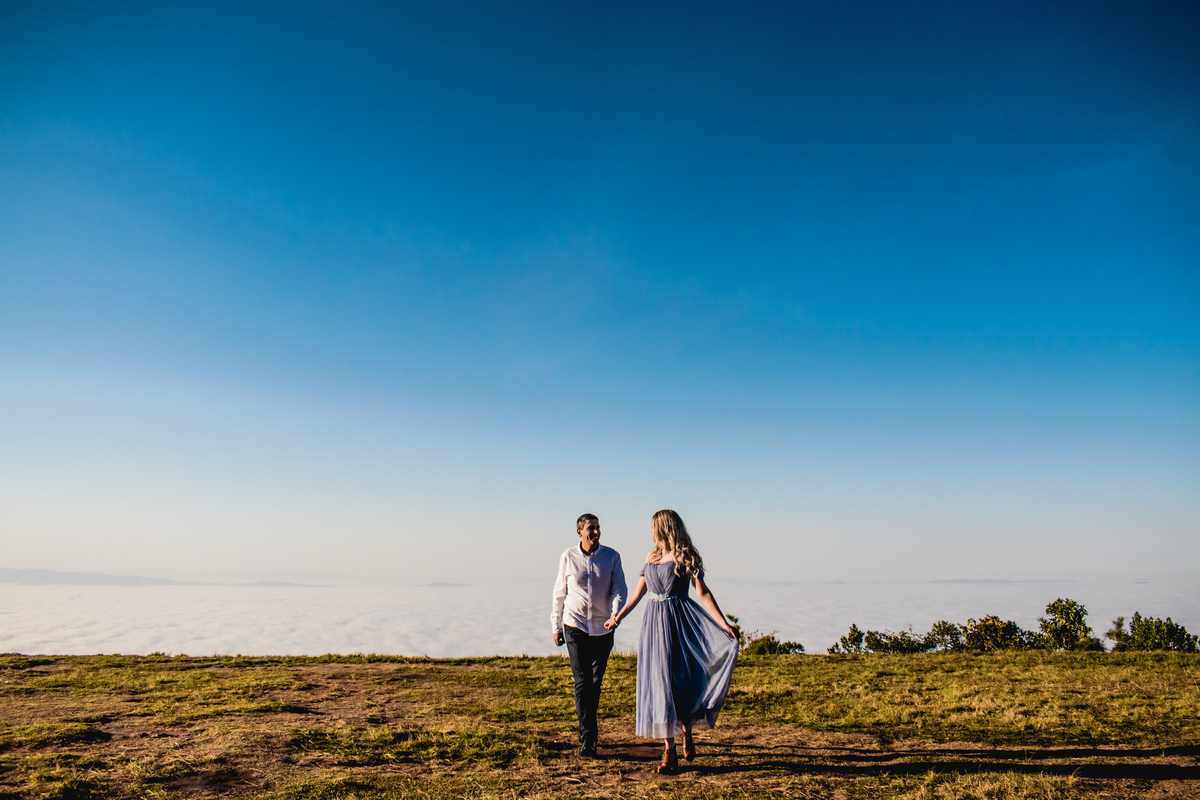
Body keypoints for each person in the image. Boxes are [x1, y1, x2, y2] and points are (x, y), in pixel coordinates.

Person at [605, 509, 738, 774]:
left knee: (680, 681)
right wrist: (617, 617)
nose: (650, 532)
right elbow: (639, 592)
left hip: (679, 623)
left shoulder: (684, 555)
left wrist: (723, 623)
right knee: (659, 684)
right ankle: (669, 750)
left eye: (652, 527)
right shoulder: (651, 556)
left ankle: (686, 730)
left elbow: (701, 590)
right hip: (653, 626)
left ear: (664, 527)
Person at [551, 513, 627, 758]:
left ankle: (588, 731)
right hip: (574, 625)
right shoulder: (568, 557)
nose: (596, 532)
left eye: (597, 528)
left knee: (595, 682)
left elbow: (619, 588)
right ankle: (588, 737)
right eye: (591, 528)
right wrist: (555, 625)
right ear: (580, 532)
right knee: (582, 681)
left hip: (603, 627)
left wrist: (615, 614)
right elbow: (559, 593)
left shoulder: (612, 557)